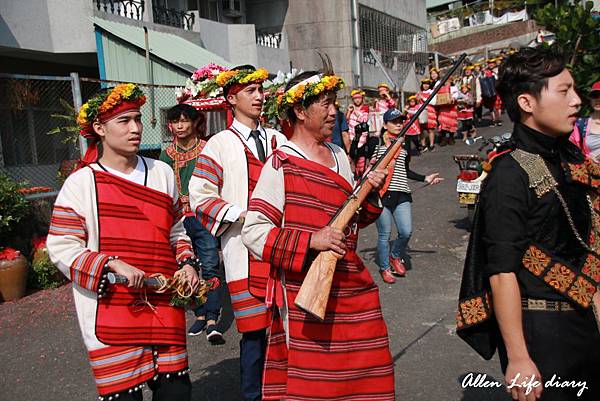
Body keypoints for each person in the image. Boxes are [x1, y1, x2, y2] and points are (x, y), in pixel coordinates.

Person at [241, 65, 396, 401]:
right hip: (304, 290)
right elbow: (253, 232)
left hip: (350, 284)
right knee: (314, 385)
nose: (333, 112)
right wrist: (312, 240)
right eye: (325, 104)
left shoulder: (339, 155)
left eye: (333, 103)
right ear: (300, 110)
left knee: (367, 372)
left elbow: (351, 222)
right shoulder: (280, 163)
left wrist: (370, 192)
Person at [456, 47, 600, 401]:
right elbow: (501, 270)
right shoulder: (509, 174)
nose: (577, 101)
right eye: (564, 91)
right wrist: (519, 357)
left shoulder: (569, 158)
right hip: (540, 329)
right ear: (527, 102)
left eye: (574, 90)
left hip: (583, 322)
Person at [47, 84, 200, 401]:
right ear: (99, 128)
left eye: (138, 119)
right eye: (124, 121)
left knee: (176, 393)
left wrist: (186, 264)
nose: (135, 128)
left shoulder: (161, 173)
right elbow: (62, 246)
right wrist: (109, 262)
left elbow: (177, 229)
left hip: (164, 304)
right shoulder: (81, 183)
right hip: (113, 307)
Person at [188, 65, 287, 401]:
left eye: (261, 89)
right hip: (243, 247)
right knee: (254, 332)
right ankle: (253, 395)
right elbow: (200, 195)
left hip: (283, 246)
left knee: (285, 328)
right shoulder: (219, 145)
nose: (260, 96)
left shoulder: (279, 139)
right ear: (232, 98)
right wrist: (240, 214)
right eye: (251, 91)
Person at [159, 104, 223, 343]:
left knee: (209, 264)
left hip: (203, 216)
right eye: (176, 121)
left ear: (195, 123)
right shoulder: (166, 155)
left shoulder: (208, 149)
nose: (180, 126)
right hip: (178, 219)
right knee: (186, 267)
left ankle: (212, 318)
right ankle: (198, 313)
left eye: (185, 121)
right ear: (170, 125)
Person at [373, 108, 443, 283]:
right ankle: (385, 268)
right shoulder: (377, 145)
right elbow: (367, 168)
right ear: (385, 124)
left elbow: (406, 171)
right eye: (394, 121)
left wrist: (425, 178)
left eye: (400, 121)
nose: (398, 124)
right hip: (381, 195)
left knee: (406, 231)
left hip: (402, 193)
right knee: (384, 235)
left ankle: (395, 255)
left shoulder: (403, 147)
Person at [569, 81, 600, 161]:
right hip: (591, 171)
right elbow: (571, 150)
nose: (598, 99)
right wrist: (587, 158)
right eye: (595, 96)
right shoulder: (580, 124)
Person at [346, 88, 371, 176]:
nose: (357, 100)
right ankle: (356, 174)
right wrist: (349, 111)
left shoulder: (365, 108)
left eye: (359, 98)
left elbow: (364, 119)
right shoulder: (351, 108)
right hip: (352, 136)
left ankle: (362, 173)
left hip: (362, 137)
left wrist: (355, 112)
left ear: (362, 98)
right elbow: (347, 120)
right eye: (355, 98)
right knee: (353, 156)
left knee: (361, 156)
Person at [417, 78, 438, 152]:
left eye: (427, 84)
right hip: (421, 112)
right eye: (424, 84)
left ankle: (431, 144)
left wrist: (423, 98)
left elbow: (434, 102)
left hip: (430, 112)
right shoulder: (419, 93)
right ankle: (423, 145)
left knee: (430, 129)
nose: (425, 85)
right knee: (421, 129)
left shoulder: (432, 92)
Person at [481, 58, 503, 126]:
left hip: (496, 90)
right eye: (489, 63)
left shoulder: (498, 70)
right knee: (490, 106)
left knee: (497, 106)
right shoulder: (486, 71)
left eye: (492, 63)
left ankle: (498, 119)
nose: (490, 65)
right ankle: (493, 120)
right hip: (488, 91)